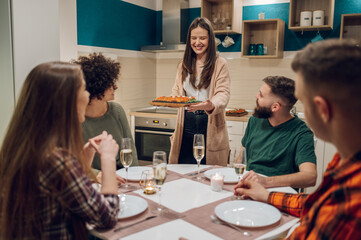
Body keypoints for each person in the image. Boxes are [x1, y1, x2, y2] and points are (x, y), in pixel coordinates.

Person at [234, 39, 361, 239]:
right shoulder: (344, 162)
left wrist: (266, 184)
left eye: (303, 100)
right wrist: (267, 195)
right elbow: (315, 204)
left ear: (322, 109)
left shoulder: (353, 198)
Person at [0, 62, 120, 239]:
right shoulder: (56, 160)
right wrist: (108, 160)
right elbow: (107, 216)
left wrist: (85, 156)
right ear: (67, 100)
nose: (88, 96)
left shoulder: (21, 148)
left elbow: (67, 193)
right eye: (84, 90)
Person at [168, 17, 231, 166]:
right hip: (186, 123)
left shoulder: (219, 63)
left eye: (202, 38)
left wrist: (210, 104)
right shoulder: (183, 64)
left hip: (208, 122)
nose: (197, 42)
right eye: (194, 38)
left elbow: (223, 93)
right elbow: (176, 91)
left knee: (209, 173)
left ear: (210, 39)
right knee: (183, 170)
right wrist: (171, 100)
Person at [237, 76, 317, 189]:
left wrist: (265, 181)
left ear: (275, 107)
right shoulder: (255, 120)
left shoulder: (301, 133)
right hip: (249, 188)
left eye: (261, 95)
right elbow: (241, 157)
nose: (256, 96)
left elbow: (310, 177)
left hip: (279, 194)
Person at [73, 53, 138, 181]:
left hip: (121, 178)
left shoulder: (117, 110)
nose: (116, 87)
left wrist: (134, 176)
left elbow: (129, 149)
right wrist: (96, 174)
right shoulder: (74, 118)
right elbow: (71, 163)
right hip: (91, 181)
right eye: (109, 84)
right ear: (96, 88)